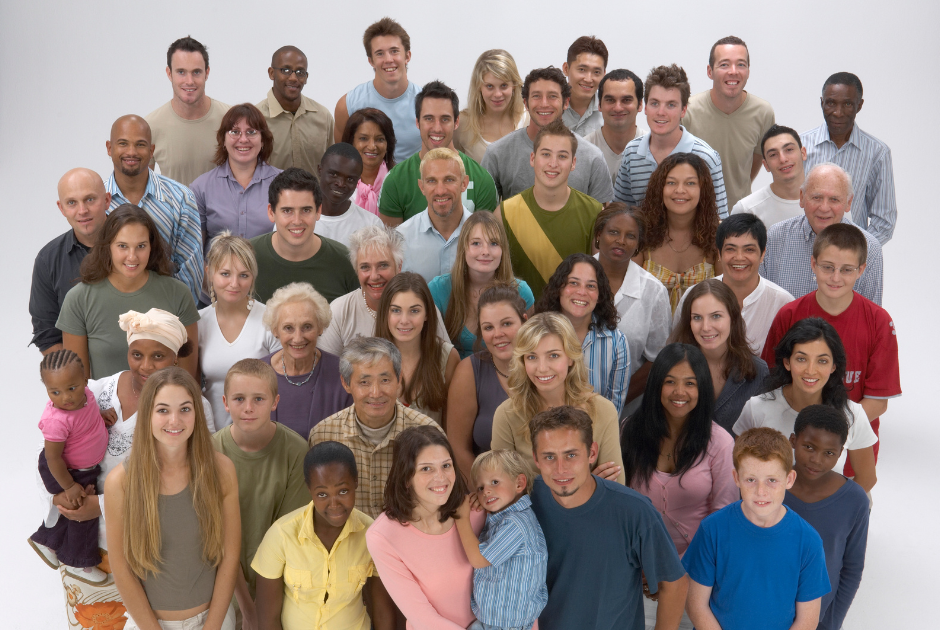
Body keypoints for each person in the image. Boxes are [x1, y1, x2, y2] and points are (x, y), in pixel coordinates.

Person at [39, 311, 215, 627]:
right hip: (86, 548)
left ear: (175, 358)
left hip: (150, 553)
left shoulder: (191, 408)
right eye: (137, 354)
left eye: (158, 356)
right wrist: (59, 498)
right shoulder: (92, 391)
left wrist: (102, 506)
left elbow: (196, 487)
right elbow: (51, 453)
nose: (145, 365)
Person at [761, 222, 898, 482]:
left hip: (850, 454)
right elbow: (772, 385)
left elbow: (878, 401)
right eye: (827, 267)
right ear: (813, 264)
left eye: (846, 270)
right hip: (789, 448)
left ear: (861, 270)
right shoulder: (789, 314)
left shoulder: (879, 321)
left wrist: (828, 432)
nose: (836, 278)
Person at [529, 406, 688, 629]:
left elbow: (675, 583)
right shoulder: (526, 501)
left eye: (571, 455)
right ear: (536, 458)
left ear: (592, 453)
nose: (560, 468)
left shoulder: (634, 511)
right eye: (549, 457)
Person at [104, 367, 239, 630]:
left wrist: (212, 626)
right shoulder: (120, 483)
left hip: (214, 620)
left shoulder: (222, 470)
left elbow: (230, 556)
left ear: (197, 414)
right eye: (163, 410)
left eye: (185, 409)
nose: (174, 420)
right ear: (148, 415)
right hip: (149, 624)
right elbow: (121, 570)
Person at [620, 344, 738, 630]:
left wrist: (670, 570)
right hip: (635, 573)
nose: (679, 392)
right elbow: (619, 507)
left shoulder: (721, 444)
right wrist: (645, 566)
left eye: (690, 383)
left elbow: (724, 519)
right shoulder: (628, 431)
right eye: (670, 381)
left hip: (696, 577)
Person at [682, 428, 830, 630]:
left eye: (772, 480)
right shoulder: (712, 529)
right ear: (736, 478)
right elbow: (696, 604)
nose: (761, 492)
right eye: (751, 480)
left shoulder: (808, 541)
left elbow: (807, 621)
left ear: (789, 479)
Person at [253, 441, 396, 630]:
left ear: (356, 482)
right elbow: (267, 619)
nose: (334, 504)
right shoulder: (281, 535)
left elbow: (382, 611)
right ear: (309, 489)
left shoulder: (373, 535)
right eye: (322, 494)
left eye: (343, 491)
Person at [212, 359, 309, 628]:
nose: (248, 408)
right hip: (222, 589)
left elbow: (288, 538)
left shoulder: (296, 452)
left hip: (281, 587)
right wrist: (248, 608)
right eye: (239, 399)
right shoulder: (209, 453)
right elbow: (218, 539)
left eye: (258, 398)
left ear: (275, 402)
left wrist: (263, 611)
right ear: (225, 402)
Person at [57, 205, 199, 380]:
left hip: (166, 406)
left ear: (151, 247)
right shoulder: (78, 299)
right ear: (108, 246)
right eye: (123, 246)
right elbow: (78, 385)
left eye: (140, 246)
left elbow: (188, 380)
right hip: (103, 408)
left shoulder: (178, 294)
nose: (132, 256)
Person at [309, 337, 444, 518]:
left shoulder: (428, 433)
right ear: (346, 384)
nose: (376, 393)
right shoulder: (323, 435)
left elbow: (441, 503)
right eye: (364, 382)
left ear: (399, 380)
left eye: (385, 380)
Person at [365, 426, 485, 629]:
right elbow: (422, 618)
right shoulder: (383, 537)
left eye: (446, 466)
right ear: (405, 478)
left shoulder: (476, 511)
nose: (441, 477)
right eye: (426, 468)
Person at [491, 312, 625, 484]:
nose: (542, 368)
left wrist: (531, 483)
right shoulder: (506, 414)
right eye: (532, 357)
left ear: (570, 358)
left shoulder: (603, 411)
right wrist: (585, 483)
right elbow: (501, 487)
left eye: (553, 355)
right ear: (523, 362)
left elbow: (615, 488)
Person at [496, 119, 603, 301]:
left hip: (573, 324)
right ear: (532, 158)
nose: (553, 163)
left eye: (562, 156)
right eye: (546, 154)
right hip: (523, 323)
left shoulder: (594, 212)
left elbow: (598, 279)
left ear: (573, 163)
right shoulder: (504, 213)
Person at [784, 405, 870, 630]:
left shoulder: (855, 500)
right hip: (763, 612)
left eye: (829, 453)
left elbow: (852, 568)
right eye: (809, 447)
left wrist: (831, 622)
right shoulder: (769, 487)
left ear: (841, 452)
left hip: (819, 620)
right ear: (793, 440)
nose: (816, 460)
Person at [29, 350, 110, 585]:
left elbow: (86, 415)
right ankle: (80, 563)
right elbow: (53, 458)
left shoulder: (87, 396)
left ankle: (47, 542)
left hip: (82, 469)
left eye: (71, 388)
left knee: (72, 510)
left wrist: (100, 417)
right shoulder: (57, 420)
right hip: (65, 470)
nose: (66, 397)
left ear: (85, 380)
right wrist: (70, 486)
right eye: (55, 392)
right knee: (82, 513)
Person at [105, 114, 204, 302]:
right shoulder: (97, 201)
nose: (131, 152)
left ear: (152, 151)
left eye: (140, 144)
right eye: (123, 143)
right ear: (109, 148)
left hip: (166, 314)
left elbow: (190, 269)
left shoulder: (181, 198)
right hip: (109, 312)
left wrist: (176, 320)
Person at [481, 66, 614, 202]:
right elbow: (485, 216)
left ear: (566, 102)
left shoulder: (593, 157)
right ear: (526, 103)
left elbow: (602, 217)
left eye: (552, 96)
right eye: (536, 96)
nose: (544, 104)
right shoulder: (496, 154)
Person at [760, 163, 884, 305]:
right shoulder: (775, 237)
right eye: (817, 197)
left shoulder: (870, 248)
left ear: (848, 202)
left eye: (834, 199)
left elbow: (870, 316)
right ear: (801, 197)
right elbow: (762, 303)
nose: (824, 208)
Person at [317, 224, 450, 356]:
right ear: (356, 270)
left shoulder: (421, 307)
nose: (374, 276)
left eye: (383, 265)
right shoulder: (340, 310)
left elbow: (445, 358)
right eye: (365, 267)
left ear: (399, 266)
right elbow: (325, 368)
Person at [614, 64, 728, 218]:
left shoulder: (706, 157)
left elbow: (719, 220)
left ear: (683, 110)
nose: (661, 112)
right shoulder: (631, 152)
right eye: (655, 103)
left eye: (671, 105)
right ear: (645, 107)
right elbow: (621, 214)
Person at [379, 81, 498, 226]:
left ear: (456, 122)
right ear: (417, 122)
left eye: (445, 119)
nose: (437, 128)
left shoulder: (482, 180)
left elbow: (486, 241)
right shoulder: (395, 180)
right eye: (429, 119)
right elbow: (391, 245)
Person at [674, 213, 793, 355]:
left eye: (749, 250)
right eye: (730, 249)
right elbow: (678, 351)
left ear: (762, 254)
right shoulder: (694, 296)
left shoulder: (783, 303)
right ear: (719, 254)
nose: (739, 258)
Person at [455, 449, 548, 630]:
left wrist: (461, 518)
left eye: (495, 482)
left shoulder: (516, 523)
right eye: (480, 488)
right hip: (492, 619)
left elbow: (479, 560)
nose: (486, 491)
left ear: (519, 483)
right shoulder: (504, 517)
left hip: (506, 624)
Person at [682, 36, 775, 210]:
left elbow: (756, 160)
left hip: (740, 212)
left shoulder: (763, 113)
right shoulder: (687, 111)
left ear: (748, 70)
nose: (733, 71)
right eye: (724, 64)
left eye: (741, 64)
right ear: (710, 71)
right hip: (694, 213)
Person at [802, 72, 896, 245]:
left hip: (851, 261)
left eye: (847, 104)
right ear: (822, 103)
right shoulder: (800, 146)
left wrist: (855, 252)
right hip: (803, 249)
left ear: (859, 106)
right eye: (831, 103)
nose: (838, 112)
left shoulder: (877, 152)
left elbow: (884, 220)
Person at [592, 203, 670, 407]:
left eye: (631, 236)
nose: (621, 241)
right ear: (598, 234)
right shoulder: (573, 277)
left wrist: (616, 401)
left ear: (639, 244)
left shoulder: (653, 291)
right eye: (613, 232)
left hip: (631, 406)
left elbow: (657, 359)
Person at [446, 283, 527, 479]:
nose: (498, 334)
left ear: (524, 322)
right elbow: (458, 449)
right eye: (488, 327)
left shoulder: (546, 367)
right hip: (486, 492)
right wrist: (485, 492)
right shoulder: (469, 371)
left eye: (507, 324)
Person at [198, 232, 280, 426]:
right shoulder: (199, 322)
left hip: (259, 433)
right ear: (209, 272)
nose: (234, 284)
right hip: (211, 434)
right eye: (225, 274)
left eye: (243, 275)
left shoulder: (270, 320)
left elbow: (280, 387)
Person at [428, 211, 535, 358]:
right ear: (464, 248)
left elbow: (528, 348)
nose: (485, 252)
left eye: (494, 243)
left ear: (503, 249)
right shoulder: (438, 289)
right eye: (476, 243)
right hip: (453, 377)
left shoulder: (521, 292)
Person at [670, 279, 768, 433]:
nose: (706, 327)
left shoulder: (759, 371)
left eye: (716, 316)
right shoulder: (671, 365)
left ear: (733, 318)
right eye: (697, 317)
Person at [535, 253, 630, 413]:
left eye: (591, 286)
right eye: (573, 283)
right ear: (559, 288)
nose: (582, 292)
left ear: (600, 295)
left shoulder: (616, 342)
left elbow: (614, 409)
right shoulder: (535, 335)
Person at [30, 169, 111, 354]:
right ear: (61, 208)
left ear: (107, 200)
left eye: (90, 199)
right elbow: (47, 335)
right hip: (79, 374)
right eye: (72, 203)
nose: (82, 211)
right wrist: (76, 379)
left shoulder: (137, 246)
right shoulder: (47, 260)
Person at [250, 167, 358, 303]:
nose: (297, 221)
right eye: (287, 211)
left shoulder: (346, 262)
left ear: (318, 211)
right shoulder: (246, 256)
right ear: (271, 212)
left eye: (306, 210)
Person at [261, 282, 352, 438]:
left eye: (307, 327)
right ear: (275, 330)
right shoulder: (257, 374)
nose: (298, 338)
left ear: (321, 327)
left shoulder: (342, 373)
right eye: (288, 328)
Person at [635, 153, 721, 312]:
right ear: (659, 188)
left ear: (703, 189)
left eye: (690, 183)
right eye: (671, 182)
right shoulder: (640, 232)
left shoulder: (719, 236)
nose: (680, 190)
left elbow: (725, 298)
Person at [191, 103, 282, 252]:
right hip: (217, 275)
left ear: (263, 140)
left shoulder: (283, 183)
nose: (243, 139)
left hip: (269, 273)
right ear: (223, 140)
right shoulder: (201, 188)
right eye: (235, 132)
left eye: (251, 132)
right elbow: (195, 252)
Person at [376, 272, 459, 426]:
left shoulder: (447, 357)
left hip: (434, 449)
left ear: (427, 313)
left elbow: (453, 429)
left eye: (414, 311)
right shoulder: (368, 357)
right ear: (385, 313)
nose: (404, 320)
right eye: (396, 310)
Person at [146, 36, 230, 187]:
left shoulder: (230, 119)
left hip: (223, 211)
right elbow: (143, 189)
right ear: (169, 73)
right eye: (181, 72)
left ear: (207, 72)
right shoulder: (150, 126)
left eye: (196, 72)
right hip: (172, 211)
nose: (189, 81)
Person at [334, 18, 420, 162]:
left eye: (394, 51)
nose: (388, 59)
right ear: (371, 61)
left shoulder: (426, 104)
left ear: (407, 56)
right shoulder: (348, 105)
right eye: (380, 53)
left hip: (413, 183)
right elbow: (342, 161)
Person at [397, 148, 473, 282]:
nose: (440, 190)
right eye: (431, 181)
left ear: (464, 183)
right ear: (421, 187)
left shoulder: (485, 235)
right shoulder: (401, 238)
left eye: (449, 180)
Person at [257, 45, 334, 175]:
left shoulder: (323, 117)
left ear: (306, 77)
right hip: (269, 196)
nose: (293, 78)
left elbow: (332, 167)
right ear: (271, 73)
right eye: (285, 70)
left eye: (300, 72)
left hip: (315, 196)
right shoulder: (255, 119)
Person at [454, 49, 527, 163]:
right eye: (489, 86)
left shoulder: (529, 120)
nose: (497, 94)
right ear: (478, 86)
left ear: (514, 84)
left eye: (503, 85)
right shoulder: (462, 124)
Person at [731, 124, 808, 227]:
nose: (783, 159)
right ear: (766, 165)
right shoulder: (747, 209)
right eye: (773, 155)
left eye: (789, 150)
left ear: (803, 153)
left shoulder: (826, 202)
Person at [314, 142, 383, 248]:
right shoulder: (296, 219)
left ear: (358, 181)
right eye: (334, 174)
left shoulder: (371, 226)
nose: (341, 184)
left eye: (350, 179)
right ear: (320, 170)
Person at [584, 70, 648, 184]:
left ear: (640, 104)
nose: (618, 108)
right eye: (610, 100)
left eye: (626, 100)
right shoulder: (582, 150)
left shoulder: (654, 149)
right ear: (599, 105)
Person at [341, 108, 397, 216]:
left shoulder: (398, 181)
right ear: (351, 142)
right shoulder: (337, 183)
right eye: (363, 138)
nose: (372, 146)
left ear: (388, 145)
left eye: (379, 139)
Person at [561, 36, 608, 136]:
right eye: (582, 69)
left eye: (596, 72)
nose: (588, 79)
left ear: (604, 75)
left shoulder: (609, 112)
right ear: (566, 69)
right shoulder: (549, 108)